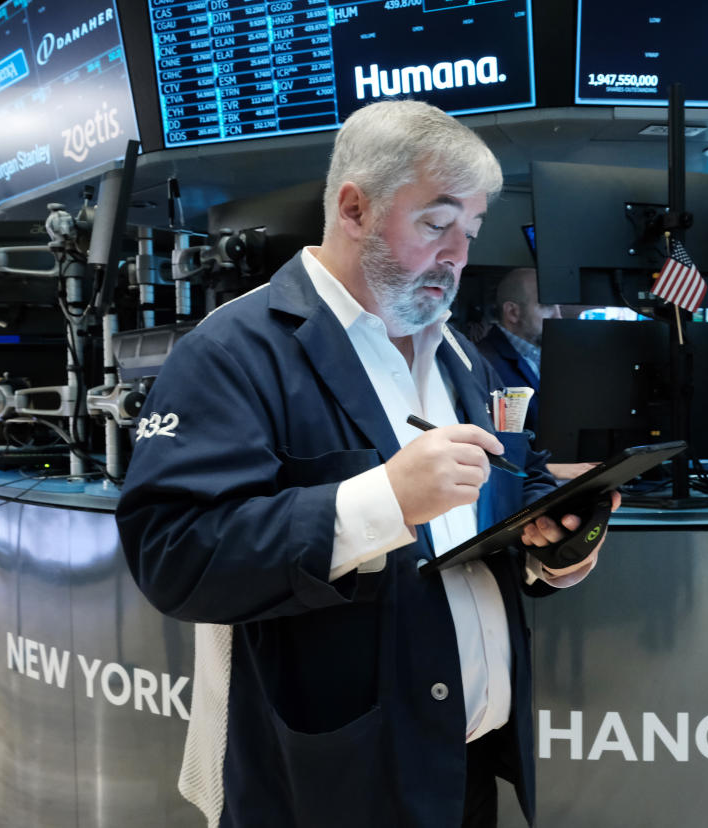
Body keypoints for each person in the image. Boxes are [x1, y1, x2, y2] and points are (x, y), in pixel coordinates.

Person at [117, 100, 618, 828]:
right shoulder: (233, 351)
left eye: (470, 231)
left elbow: (509, 480)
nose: (458, 257)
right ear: (354, 207)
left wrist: (555, 544)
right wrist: (383, 500)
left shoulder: (455, 352)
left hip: (464, 758)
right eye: (436, 224)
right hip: (334, 780)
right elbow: (175, 555)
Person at [477, 267, 559, 437]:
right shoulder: (483, 362)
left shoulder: (549, 354)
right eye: (547, 306)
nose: (558, 316)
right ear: (513, 312)